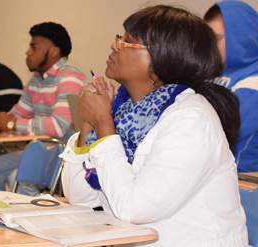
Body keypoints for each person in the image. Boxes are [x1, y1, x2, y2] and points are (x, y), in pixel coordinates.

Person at [61, 5, 247, 246]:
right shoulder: (124, 110)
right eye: (120, 37)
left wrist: (105, 125)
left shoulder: (191, 119)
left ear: (164, 57)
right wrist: (89, 124)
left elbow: (133, 209)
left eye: (127, 41)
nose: (114, 45)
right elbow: (79, 197)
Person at [0, 22, 87, 195]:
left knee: (18, 177)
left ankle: (21, 221)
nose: (28, 52)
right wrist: (1, 120)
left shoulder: (70, 78)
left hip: (65, 154)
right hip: (40, 151)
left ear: (54, 52)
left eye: (34, 47)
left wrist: (12, 125)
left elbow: (59, 126)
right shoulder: (36, 80)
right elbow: (18, 113)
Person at [204, 1, 258, 172]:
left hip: (241, 182)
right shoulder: (211, 72)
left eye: (217, 39)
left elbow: (219, 129)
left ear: (241, 38)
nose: (210, 46)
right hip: (204, 175)